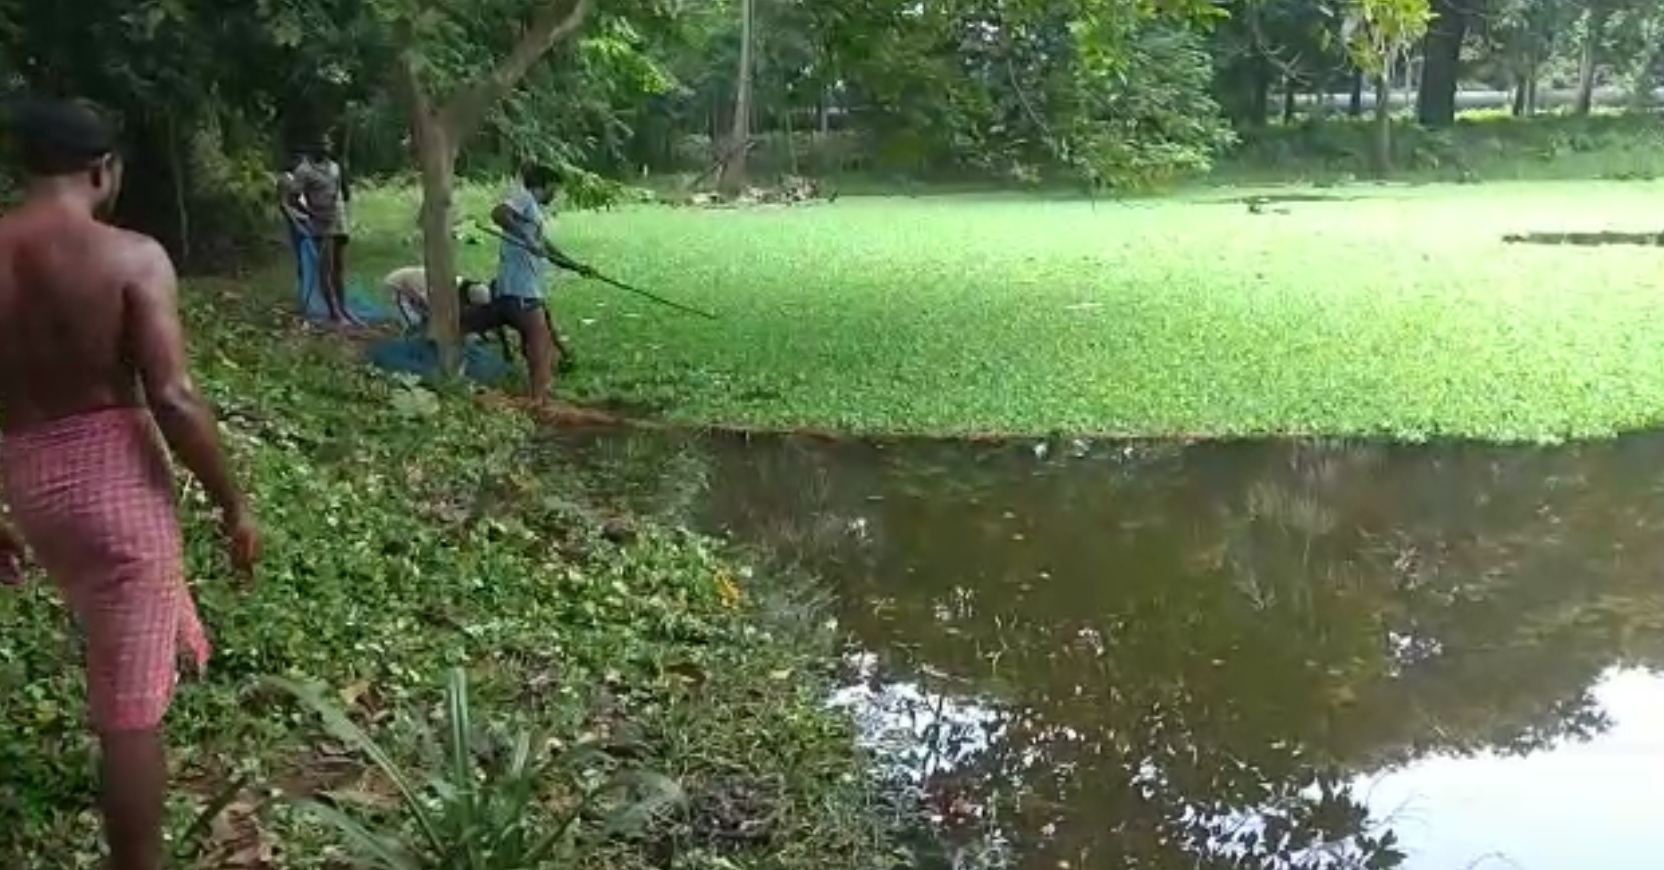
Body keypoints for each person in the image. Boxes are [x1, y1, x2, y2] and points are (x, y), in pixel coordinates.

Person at [0, 97, 260, 870]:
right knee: (131, 712)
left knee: (112, 654)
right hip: (116, 486)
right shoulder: (132, 256)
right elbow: (174, 399)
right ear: (103, 170)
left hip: (30, 481)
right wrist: (233, 501)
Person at [490, 163, 591, 401]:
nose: (555, 195)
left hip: (525, 289)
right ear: (542, 186)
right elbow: (498, 214)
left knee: (538, 345)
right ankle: (539, 401)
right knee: (541, 347)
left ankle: (537, 396)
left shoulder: (532, 211)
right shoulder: (524, 198)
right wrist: (525, 238)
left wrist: (577, 267)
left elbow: (546, 247)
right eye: (553, 189)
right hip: (520, 289)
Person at [287, 135, 354, 325]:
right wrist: (311, 213)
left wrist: (345, 213)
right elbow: (292, 199)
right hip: (320, 223)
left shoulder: (334, 166)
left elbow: (343, 192)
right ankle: (334, 312)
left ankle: (343, 307)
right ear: (312, 148)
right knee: (326, 267)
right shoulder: (304, 171)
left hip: (338, 220)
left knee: (339, 268)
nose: (326, 147)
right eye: (322, 144)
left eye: (328, 144)